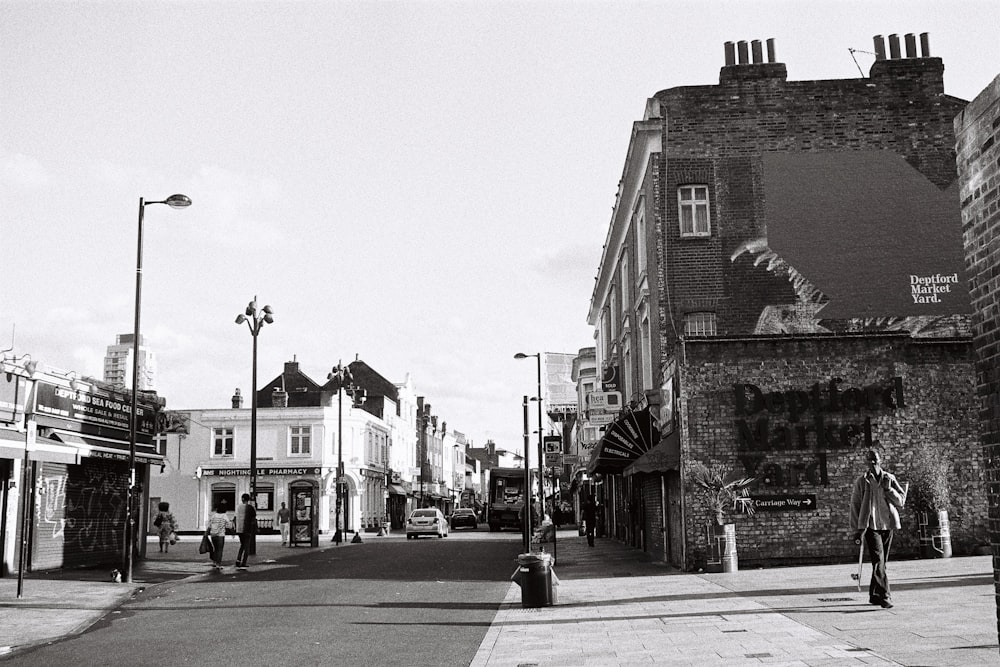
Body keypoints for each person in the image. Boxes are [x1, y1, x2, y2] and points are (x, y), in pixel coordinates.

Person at [850, 449, 907, 609]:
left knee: (882, 562)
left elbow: (901, 501)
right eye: (869, 460)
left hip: (887, 525)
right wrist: (856, 529)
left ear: (880, 460)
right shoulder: (862, 481)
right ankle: (885, 596)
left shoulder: (889, 478)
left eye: (875, 459)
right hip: (870, 526)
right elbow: (855, 505)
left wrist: (889, 489)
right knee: (878, 560)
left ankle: (874, 595)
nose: (873, 463)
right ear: (866, 462)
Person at [234, 493, 258, 570]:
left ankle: (238, 560)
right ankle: (244, 562)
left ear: (242, 499)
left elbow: (235, 518)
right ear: (249, 499)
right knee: (246, 546)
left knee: (242, 545)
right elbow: (254, 519)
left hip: (239, 529)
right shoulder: (250, 507)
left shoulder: (238, 507)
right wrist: (255, 528)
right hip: (247, 529)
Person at [206, 504, 232, 570]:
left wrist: (206, 533)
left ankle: (214, 562)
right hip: (220, 534)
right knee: (220, 550)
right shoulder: (224, 516)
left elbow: (209, 525)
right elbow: (229, 525)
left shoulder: (213, 516)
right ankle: (218, 564)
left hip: (213, 534)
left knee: (215, 548)